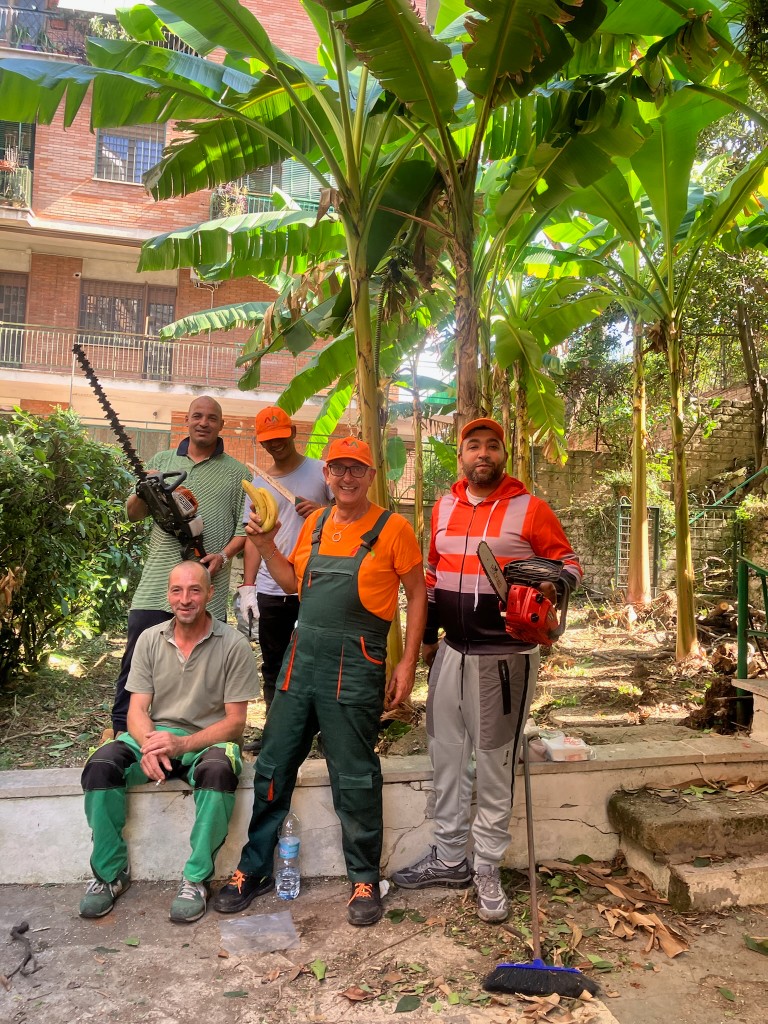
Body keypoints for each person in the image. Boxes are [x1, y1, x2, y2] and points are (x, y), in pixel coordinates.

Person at [212, 436, 427, 926]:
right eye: (338, 469)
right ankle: (254, 869)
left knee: (353, 775)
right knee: (272, 766)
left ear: (372, 477)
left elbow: (417, 595)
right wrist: (264, 542)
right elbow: (292, 585)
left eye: (357, 469)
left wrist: (407, 662)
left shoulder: (394, 528)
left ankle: (364, 876)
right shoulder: (315, 523)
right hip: (301, 660)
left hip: (357, 664)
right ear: (326, 475)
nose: (347, 478)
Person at [391, 418, 582, 923]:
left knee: (495, 763)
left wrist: (547, 586)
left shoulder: (530, 509)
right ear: (460, 456)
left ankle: (488, 868)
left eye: (492, 446)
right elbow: (432, 576)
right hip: (452, 654)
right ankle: (450, 857)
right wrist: (428, 637)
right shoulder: (445, 507)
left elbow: (569, 566)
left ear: (503, 455)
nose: (483, 454)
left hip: (506, 658)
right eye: (472, 445)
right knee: (446, 755)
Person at [79, 562, 259, 923]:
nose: (185, 598)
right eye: (177, 590)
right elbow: (136, 710)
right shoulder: (150, 639)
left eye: (194, 590)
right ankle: (110, 874)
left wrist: (182, 745)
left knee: (218, 771)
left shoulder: (233, 645)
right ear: (168, 596)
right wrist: (150, 744)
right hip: (153, 737)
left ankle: (195, 879)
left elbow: (235, 722)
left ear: (210, 594)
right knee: (101, 766)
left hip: (206, 740)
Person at [108, 396, 249, 736]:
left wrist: (223, 555)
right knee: (136, 662)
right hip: (158, 583)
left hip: (205, 589)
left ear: (221, 425)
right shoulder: (162, 460)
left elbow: (244, 530)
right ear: (186, 420)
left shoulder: (237, 472)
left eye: (211, 418)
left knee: (207, 666)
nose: (204, 422)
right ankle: (121, 732)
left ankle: (204, 733)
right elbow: (133, 514)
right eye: (197, 416)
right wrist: (145, 488)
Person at [238, 406, 332, 716]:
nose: (275, 443)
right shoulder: (259, 484)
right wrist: (248, 586)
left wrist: (322, 510)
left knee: (318, 658)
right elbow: (254, 538)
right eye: (268, 439)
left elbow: (349, 518)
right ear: (261, 442)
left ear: (292, 432)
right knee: (274, 660)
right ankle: (276, 731)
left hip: (316, 582)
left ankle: (317, 727)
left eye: (280, 436)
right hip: (271, 587)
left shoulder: (322, 472)